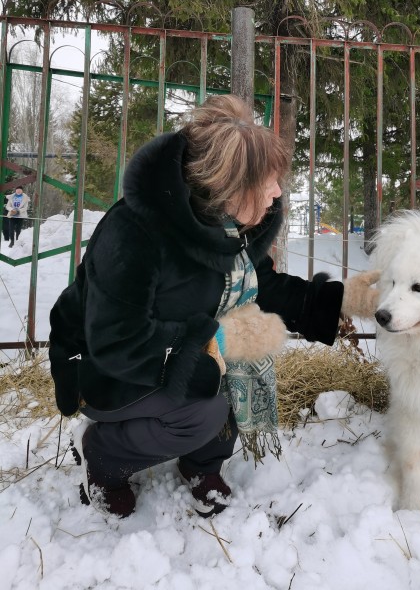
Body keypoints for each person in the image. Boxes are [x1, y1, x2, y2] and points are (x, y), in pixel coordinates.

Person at [49, 95, 379, 519]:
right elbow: (118, 340)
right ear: (233, 187)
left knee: (235, 380)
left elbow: (266, 285)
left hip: (168, 354)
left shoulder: (228, 227)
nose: (278, 192)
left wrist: (344, 299)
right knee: (205, 409)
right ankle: (102, 456)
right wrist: (214, 344)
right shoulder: (135, 233)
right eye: (268, 183)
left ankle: (201, 464)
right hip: (104, 366)